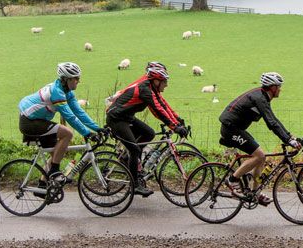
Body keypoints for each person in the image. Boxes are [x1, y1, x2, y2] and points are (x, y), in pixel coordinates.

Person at [218, 72, 303, 205]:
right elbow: (271, 123)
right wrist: (288, 141)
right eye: (279, 86)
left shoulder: (263, 96)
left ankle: (255, 193)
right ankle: (232, 180)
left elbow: (273, 119)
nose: (280, 89)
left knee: (261, 157)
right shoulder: (260, 98)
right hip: (230, 129)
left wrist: (289, 137)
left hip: (236, 129)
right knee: (259, 155)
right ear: (273, 87)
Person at [106, 61, 188, 196]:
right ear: (156, 80)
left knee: (148, 133)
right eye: (164, 81)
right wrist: (174, 126)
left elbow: (163, 104)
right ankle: (135, 185)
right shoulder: (145, 90)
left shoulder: (150, 87)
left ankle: (129, 160)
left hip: (126, 117)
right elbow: (158, 110)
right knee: (134, 148)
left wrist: (177, 120)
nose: (166, 85)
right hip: (116, 119)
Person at [18, 62, 104, 186]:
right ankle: (54, 171)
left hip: (39, 120)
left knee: (56, 154)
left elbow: (79, 112)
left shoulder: (67, 92)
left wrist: (97, 128)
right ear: (66, 79)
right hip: (29, 122)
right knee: (67, 134)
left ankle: (42, 185)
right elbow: (69, 116)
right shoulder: (57, 92)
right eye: (76, 78)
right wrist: (86, 133)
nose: (78, 81)